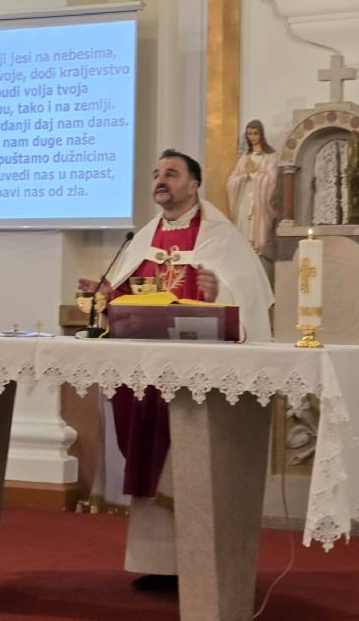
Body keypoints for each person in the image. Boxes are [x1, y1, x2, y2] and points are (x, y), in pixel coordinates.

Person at [79, 149, 273, 592]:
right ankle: (158, 563)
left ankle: (199, 566)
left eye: (171, 173)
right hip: (148, 374)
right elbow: (131, 299)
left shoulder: (221, 238)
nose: (160, 180)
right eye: (156, 174)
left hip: (199, 377)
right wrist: (108, 294)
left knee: (190, 465)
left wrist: (220, 290)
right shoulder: (144, 238)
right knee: (151, 458)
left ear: (193, 184)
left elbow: (249, 299)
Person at [226, 120, 279, 262]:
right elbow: (232, 180)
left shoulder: (270, 156)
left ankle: (259, 253)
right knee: (244, 227)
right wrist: (244, 177)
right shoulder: (245, 158)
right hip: (245, 199)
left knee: (261, 236)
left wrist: (255, 175)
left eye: (255, 133)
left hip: (260, 202)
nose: (253, 137)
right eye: (249, 134)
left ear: (261, 134)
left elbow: (272, 179)